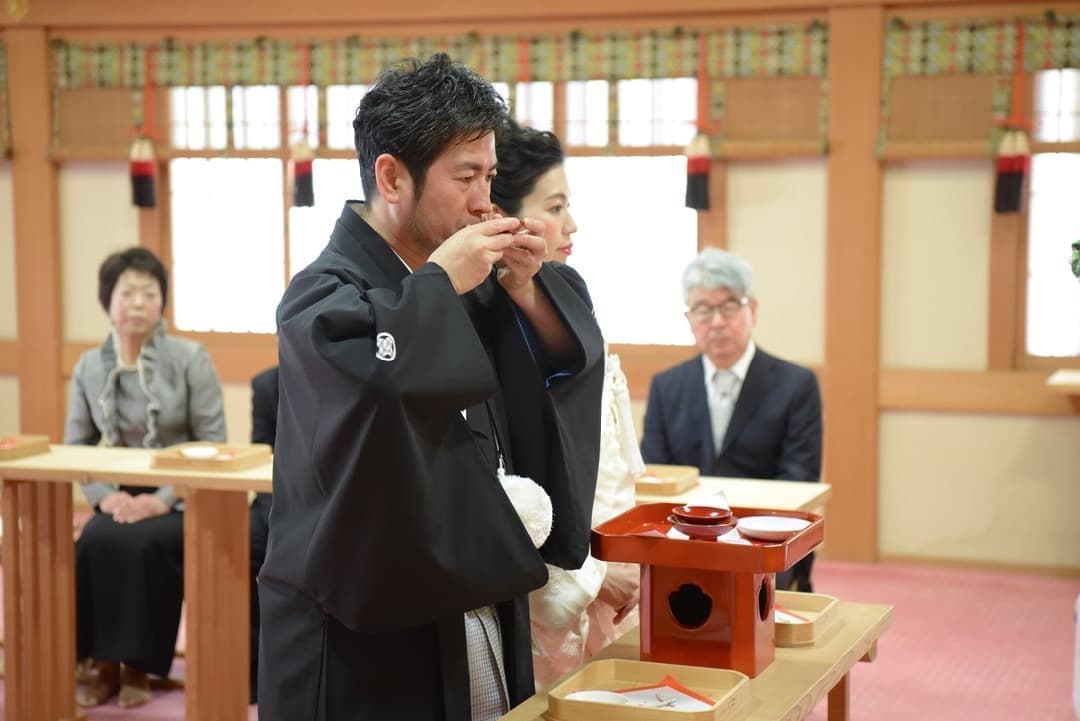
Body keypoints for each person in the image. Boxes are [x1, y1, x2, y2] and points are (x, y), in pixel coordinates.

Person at [257, 54, 605, 721]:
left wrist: (523, 293)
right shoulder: (321, 299)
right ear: (392, 176)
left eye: (491, 176)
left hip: (473, 593)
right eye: (466, 175)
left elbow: (557, 374)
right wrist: (440, 288)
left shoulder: (464, 286)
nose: (484, 199)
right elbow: (379, 398)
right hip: (360, 634)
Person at [492, 121, 642, 688]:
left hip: (607, 541)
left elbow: (604, 445)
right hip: (558, 567)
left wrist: (623, 547)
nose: (570, 224)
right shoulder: (487, 311)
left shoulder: (567, 286)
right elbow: (529, 458)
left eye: (567, 205)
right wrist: (596, 571)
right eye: (554, 207)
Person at [65, 246, 226, 708]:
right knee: (94, 539)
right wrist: (104, 499)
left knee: (143, 543)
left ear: (162, 303)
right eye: (127, 293)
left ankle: (137, 666)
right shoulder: (89, 366)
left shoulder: (190, 358)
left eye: (149, 293)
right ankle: (101, 664)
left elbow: (214, 441)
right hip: (115, 495)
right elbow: (74, 445)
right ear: (107, 302)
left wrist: (163, 497)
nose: (137, 303)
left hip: (180, 495)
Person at [640, 247, 822, 592]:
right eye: (703, 310)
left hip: (766, 546)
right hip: (685, 545)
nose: (717, 322)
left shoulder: (797, 385)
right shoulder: (667, 386)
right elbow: (656, 479)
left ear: (752, 309)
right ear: (689, 319)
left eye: (728, 307)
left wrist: (739, 539)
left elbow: (798, 481)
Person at [247, 365, 277, 705]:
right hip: (275, 497)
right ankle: (251, 668)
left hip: (330, 499)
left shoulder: (342, 372)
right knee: (245, 541)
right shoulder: (267, 383)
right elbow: (263, 452)